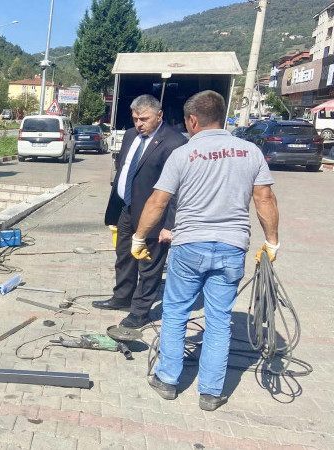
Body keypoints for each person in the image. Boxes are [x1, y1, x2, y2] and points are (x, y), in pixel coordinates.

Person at [131, 90, 280, 411]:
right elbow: (264, 198)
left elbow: (158, 201)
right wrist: (272, 243)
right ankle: (211, 392)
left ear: (193, 120)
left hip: (189, 247)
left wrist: (138, 239)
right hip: (232, 248)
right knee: (218, 320)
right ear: (222, 116)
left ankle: (168, 379)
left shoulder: (184, 154)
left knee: (175, 313)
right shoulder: (250, 151)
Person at [94, 94, 188, 328]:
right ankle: (122, 297)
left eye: (144, 119)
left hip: (155, 215)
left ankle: (140, 311)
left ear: (159, 116)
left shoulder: (175, 143)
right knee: (124, 256)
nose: (139, 124)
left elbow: (177, 190)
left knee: (149, 264)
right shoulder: (129, 136)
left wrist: (170, 225)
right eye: (135, 118)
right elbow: (124, 170)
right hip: (126, 209)